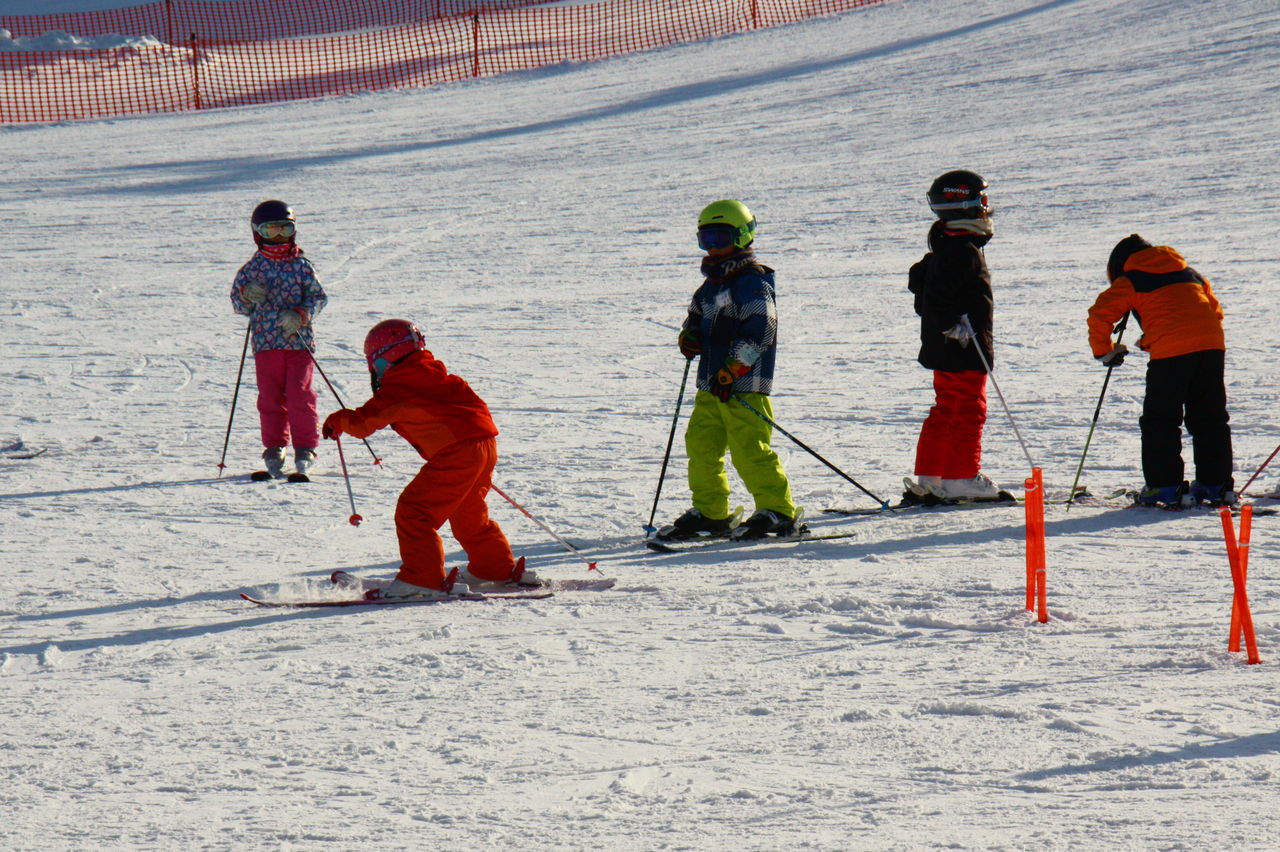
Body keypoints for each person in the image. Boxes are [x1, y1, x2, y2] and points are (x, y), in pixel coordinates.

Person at [321, 319, 538, 599]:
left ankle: (422, 580)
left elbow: (363, 423)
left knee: (415, 511)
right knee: (468, 512)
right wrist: (471, 455)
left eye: (376, 363)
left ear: (387, 357)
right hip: (484, 445)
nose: (376, 370)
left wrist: (338, 420)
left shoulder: (400, 385)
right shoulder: (439, 376)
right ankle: (493, 568)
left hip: (460, 452)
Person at [656, 199, 799, 541]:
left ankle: (778, 511)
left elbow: (762, 329)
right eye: (706, 239)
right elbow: (694, 320)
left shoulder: (752, 283)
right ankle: (712, 511)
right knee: (701, 447)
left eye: (721, 238)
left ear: (743, 236)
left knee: (749, 448)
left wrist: (733, 369)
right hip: (710, 385)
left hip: (744, 385)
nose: (713, 247)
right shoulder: (710, 287)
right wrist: (689, 337)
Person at [1087, 235, 1234, 506]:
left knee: (1161, 420)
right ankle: (1216, 485)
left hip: (1172, 353)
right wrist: (1153, 337)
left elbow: (1100, 313)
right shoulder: (1190, 274)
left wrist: (1103, 350)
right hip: (1212, 346)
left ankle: (1164, 486)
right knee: (1209, 418)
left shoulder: (1131, 279)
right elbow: (1212, 312)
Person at [903, 170, 1003, 503]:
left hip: (949, 346)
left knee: (947, 408)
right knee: (968, 409)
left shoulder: (948, 247)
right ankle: (961, 477)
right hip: (962, 346)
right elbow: (935, 299)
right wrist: (952, 326)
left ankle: (932, 476)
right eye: (983, 201)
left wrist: (946, 325)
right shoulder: (962, 251)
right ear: (965, 205)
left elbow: (925, 290)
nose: (987, 208)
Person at [229, 200, 327, 478]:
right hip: (266, 344)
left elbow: (318, 298)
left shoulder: (301, 266)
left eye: (285, 229)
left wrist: (301, 314)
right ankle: (275, 446)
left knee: (299, 395)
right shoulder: (251, 269)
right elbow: (239, 304)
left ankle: (305, 447)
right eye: (271, 231)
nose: (279, 237)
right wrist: (247, 295)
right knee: (270, 396)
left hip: (297, 341)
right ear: (258, 233)